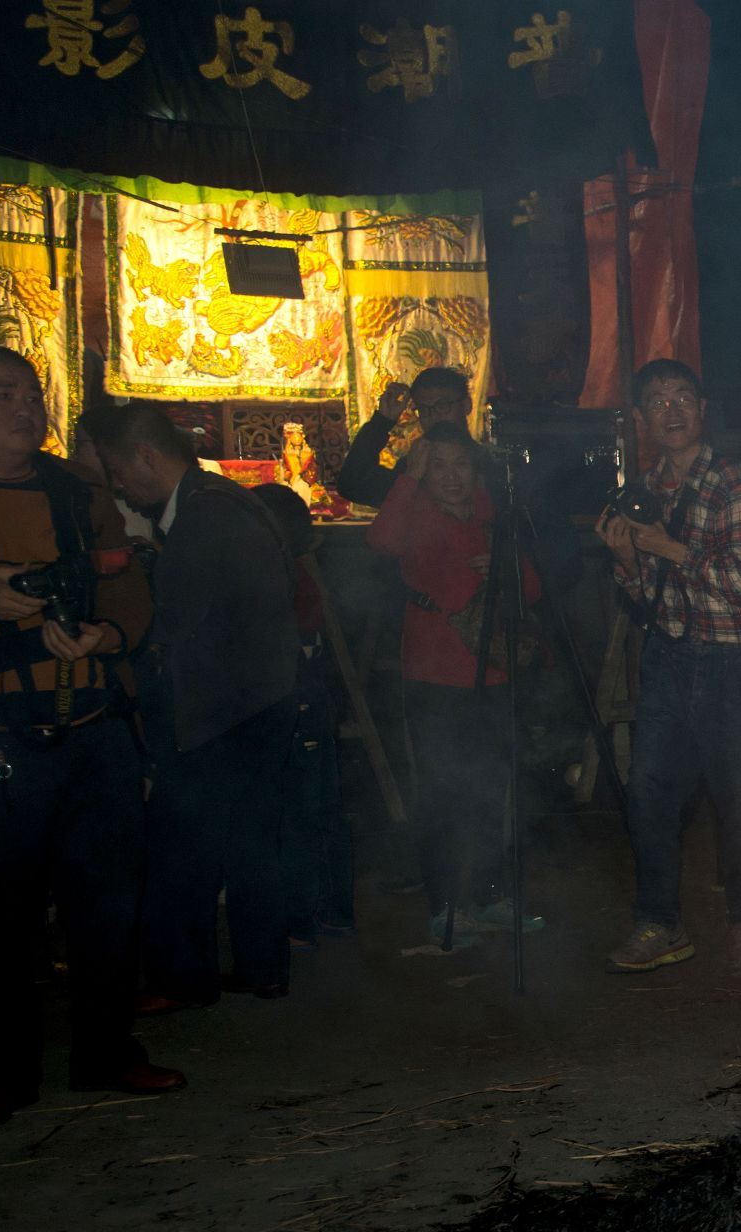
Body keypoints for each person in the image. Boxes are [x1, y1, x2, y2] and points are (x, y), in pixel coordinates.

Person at [0, 348, 176, 1127]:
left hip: (91, 728)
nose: (25, 409)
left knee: (107, 903)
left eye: (32, 395)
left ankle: (107, 1051)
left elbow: (124, 580)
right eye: (1, 396)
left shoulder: (77, 493)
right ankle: (5, 1073)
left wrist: (108, 635)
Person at [91, 403, 299, 1006]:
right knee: (251, 841)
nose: (119, 487)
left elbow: (172, 622)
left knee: (184, 845)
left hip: (220, 708)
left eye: (117, 471)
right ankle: (262, 967)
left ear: (146, 457)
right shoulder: (222, 500)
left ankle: (183, 979)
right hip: (262, 696)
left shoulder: (205, 515)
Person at [599, 359, 741, 975]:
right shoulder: (648, 488)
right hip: (670, 658)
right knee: (649, 794)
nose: (672, 411)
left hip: (737, 663)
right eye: (658, 402)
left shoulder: (734, 482)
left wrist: (665, 547)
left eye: (683, 398)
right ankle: (658, 922)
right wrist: (630, 563)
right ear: (641, 418)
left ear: (703, 409)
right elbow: (649, 594)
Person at [368, 423, 545, 943]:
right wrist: (409, 476)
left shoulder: (491, 511)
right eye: (438, 466)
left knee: (491, 787)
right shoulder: (414, 511)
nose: (452, 476)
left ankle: (489, 896)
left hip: (493, 671)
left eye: (460, 464)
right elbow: (381, 542)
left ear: (476, 468)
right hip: (434, 674)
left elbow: (533, 587)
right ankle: (445, 906)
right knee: (441, 792)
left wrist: (505, 570)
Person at [253, 483, 356, 947]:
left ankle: (301, 920)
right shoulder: (294, 570)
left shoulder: (279, 575)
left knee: (297, 815)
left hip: (294, 700)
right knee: (321, 809)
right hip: (311, 698)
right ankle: (335, 913)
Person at [336, 365, 472, 508]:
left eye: (442, 406)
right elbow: (352, 486)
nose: (433, 416)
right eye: (423, 409)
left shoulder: (483, 462)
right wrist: (381, 422)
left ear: (466, 405)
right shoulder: (414, 469)